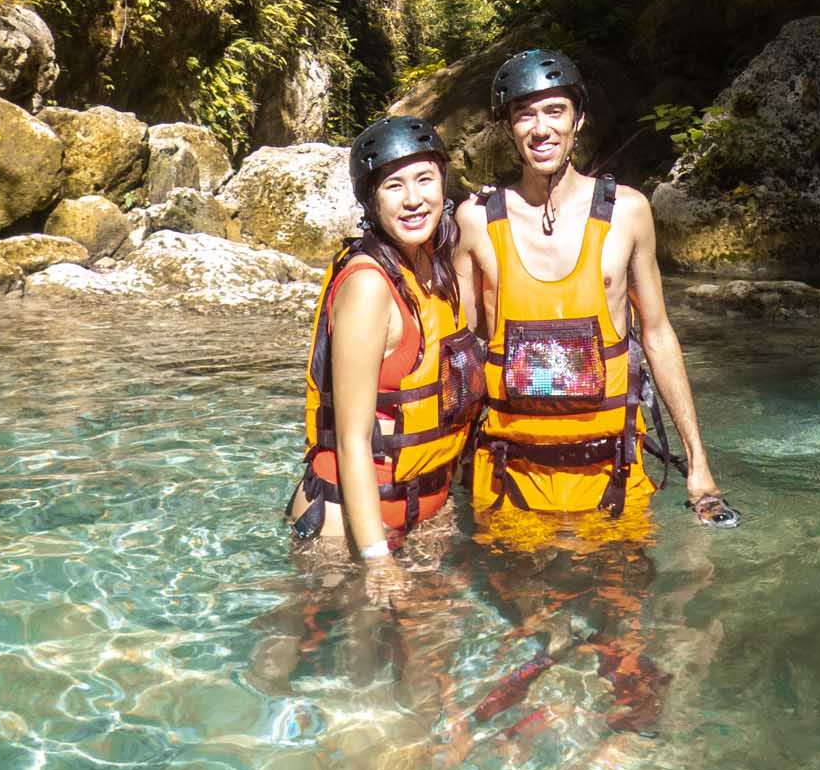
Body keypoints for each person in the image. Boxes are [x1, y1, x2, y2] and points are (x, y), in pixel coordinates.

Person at [455, 47, 740, 528]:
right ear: (508, 128)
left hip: (611, 472)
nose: (540, 128)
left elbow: (657, 335)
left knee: (622, 602)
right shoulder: (476, 221)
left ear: (579, 120)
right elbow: (457, 348)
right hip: (509, 475)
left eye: (555, 111)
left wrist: (699, 465)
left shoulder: (628, 212)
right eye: (525, 115)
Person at [287, 113, 485, 566]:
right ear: (371, 201)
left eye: (425, 180)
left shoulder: (431, 266)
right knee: (342, 637)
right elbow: (354, 439)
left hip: (418, 511)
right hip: (351, 529)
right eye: (394, 186)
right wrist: (376, 560)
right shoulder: (369, 287)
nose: (414, 200)